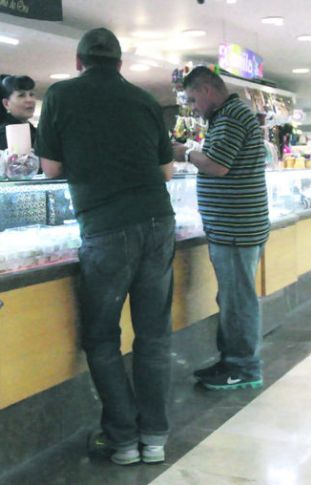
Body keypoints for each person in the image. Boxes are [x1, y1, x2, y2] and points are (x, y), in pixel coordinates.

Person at [35, 27, 176, 466]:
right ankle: (154, 438)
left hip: (106, 226)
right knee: (153, 336)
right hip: (159, 222)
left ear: (79, 62)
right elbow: (167, 172)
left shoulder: (60, 95)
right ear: (120, 64)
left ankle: (123, 440)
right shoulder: (145, 100)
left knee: (101, 338)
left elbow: (51, 169)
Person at [171, 66, 270, 392]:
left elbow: (218, 166)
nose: (193, 107)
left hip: (236, 229)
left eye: (193, 99)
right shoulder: (230, 115)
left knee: (238, 301)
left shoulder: (229, 118)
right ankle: (231, 361)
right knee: (232, 298)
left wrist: (186, 153)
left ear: (207, 90)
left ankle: (243, 368)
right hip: (236, 226)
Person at [0, 74, 37, 151]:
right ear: (6, 103)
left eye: (31, 94)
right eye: (21, 95)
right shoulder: (5, 134)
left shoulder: (32, 130)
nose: (29, 100)